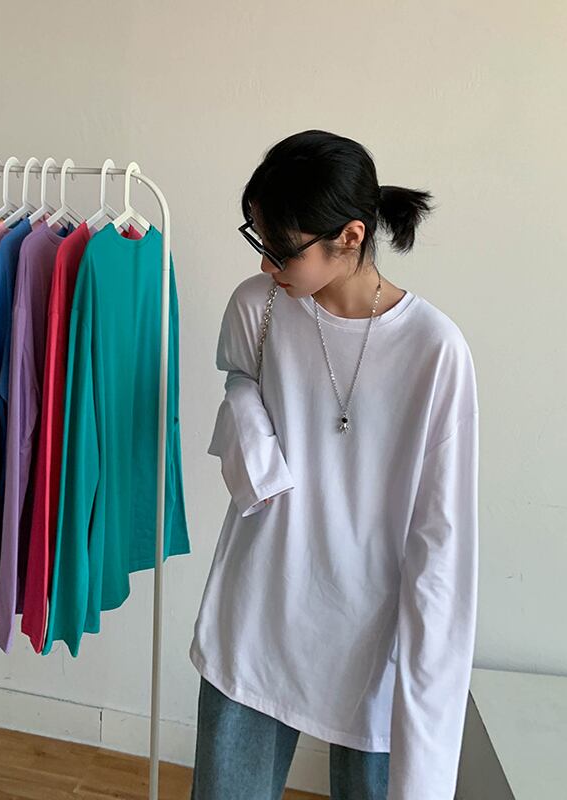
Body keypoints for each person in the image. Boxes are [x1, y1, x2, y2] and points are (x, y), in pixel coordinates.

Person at [189, 130, 480, 800]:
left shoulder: (435, 351)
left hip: (372, 638)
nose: (267, 263)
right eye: (258, 239)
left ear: (351, 237)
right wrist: (255, 448)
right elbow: (239, 381)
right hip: (257, 616)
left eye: (282, 248)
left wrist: (429, 699)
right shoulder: (259, 308)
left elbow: (442, 541)